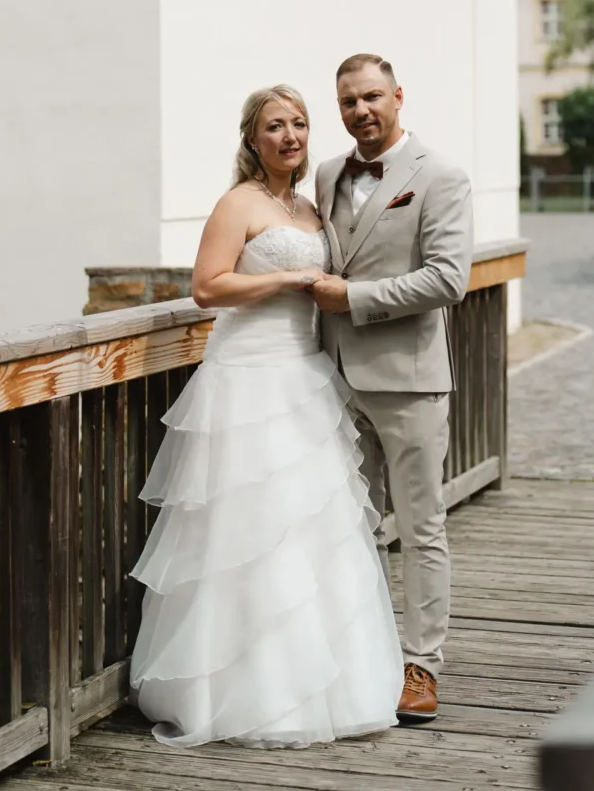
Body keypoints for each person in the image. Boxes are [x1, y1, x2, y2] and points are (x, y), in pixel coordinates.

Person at [129, 84, 403, 748]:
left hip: (303, 377)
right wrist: (284, 280)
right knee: (247, 527)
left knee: (311, 525)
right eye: (275, 126)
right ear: (253, 139)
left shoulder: (308, 207)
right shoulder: (238, 203)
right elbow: (206, 287)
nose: (290, 136)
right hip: (247, 380)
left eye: (299, 124)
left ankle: (323, 681)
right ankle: (238, 688)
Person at [312, 53, 473, 723]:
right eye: (349, 102)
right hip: (334, 380)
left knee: (421, 526)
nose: (361, 111)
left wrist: (353, 299)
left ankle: (421, 664)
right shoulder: (326, 174)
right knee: (355, 526)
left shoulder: (440, 175)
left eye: (372, 97)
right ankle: (369, 651)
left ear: (398, 96)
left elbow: (448, 279)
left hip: (409, 382)